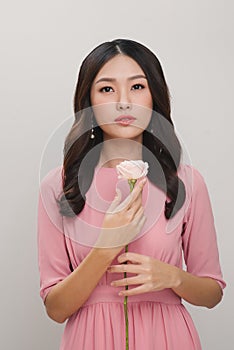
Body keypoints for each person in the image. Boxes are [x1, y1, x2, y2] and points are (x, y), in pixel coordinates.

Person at [37, 38, 226, 349]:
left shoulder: (187, 183)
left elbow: (213, 293)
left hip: (168, 337)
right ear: (89, 101)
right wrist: (104, 248)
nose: (123, 102)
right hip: (91, 339)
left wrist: (173, 277)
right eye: (107, 89)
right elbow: (56, 309)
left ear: (154, 96)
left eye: (137, 87)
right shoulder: (58, 186)